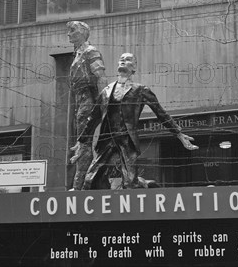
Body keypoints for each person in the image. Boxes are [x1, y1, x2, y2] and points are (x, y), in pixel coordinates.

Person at [81, 53, 198, 189]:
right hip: (107, 140)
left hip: (127, 141)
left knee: (130, 183)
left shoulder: (140, 90)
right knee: (90, 180)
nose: (123, 61)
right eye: (121, 59)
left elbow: (161, 113)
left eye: (128, 59)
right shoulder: (106, 91)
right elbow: (93, 118)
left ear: (134, 67)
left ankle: (141, 188)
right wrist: (81, 141)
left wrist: (178, 133)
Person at [66, 21, 106, 190]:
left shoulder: (91, 52)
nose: (69, 34)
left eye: (72, 31)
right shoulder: (77, 54)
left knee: (85, 144)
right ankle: (82, 183)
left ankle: (81, 185)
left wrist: (104, 106)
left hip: (89, 101)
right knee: (83, 144)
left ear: (82, 33)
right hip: (80, 102)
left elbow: (101, 78)